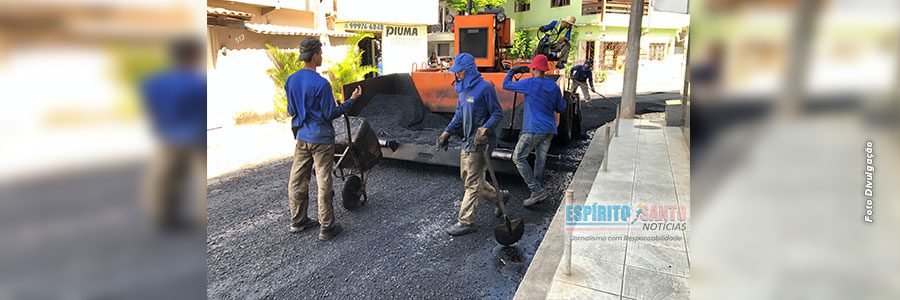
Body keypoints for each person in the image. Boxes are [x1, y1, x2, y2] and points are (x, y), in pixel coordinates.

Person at [284, 37, 362, 241]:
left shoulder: (291, 80)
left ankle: (298, 220)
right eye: (320, 52)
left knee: (297, 179)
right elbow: (330, 113)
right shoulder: (321, 84)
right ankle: (327, 226)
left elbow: (290, 110)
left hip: (301, 137)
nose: (322, 56)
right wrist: (352, 100)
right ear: (315, 55)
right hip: (321, 140)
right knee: (323, 180)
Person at [141, 37, 207, 232]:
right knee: (199, 180)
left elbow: (150, 108)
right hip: (194, 137)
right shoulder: (196, 83)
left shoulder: (155, 82)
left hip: (167, 136)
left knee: (166, 178)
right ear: (192, 57)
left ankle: (164, 217)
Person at [437, 53, 505, 236]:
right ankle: (499, 198)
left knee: (472, 183)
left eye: (459, 72)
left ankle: (466, 221)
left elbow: (498, 114)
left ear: (468, 71)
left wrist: (485, 128)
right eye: (455, 72)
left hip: (481, 142)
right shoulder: (463, 90)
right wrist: (447, 132)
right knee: (469, 178)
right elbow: (459, 115)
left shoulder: (485, 89)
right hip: (467, 140)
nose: (456, 75)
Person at [502, 54, 567, 206]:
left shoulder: (530, 83)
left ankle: (536, 190)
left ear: (534, 68)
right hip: (549, 129)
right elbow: (561, 107)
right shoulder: (553, 86)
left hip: (533, 128)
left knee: (517, 157)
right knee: (540, 159)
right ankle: (536, 191)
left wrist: (512, 71)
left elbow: (506, 85)